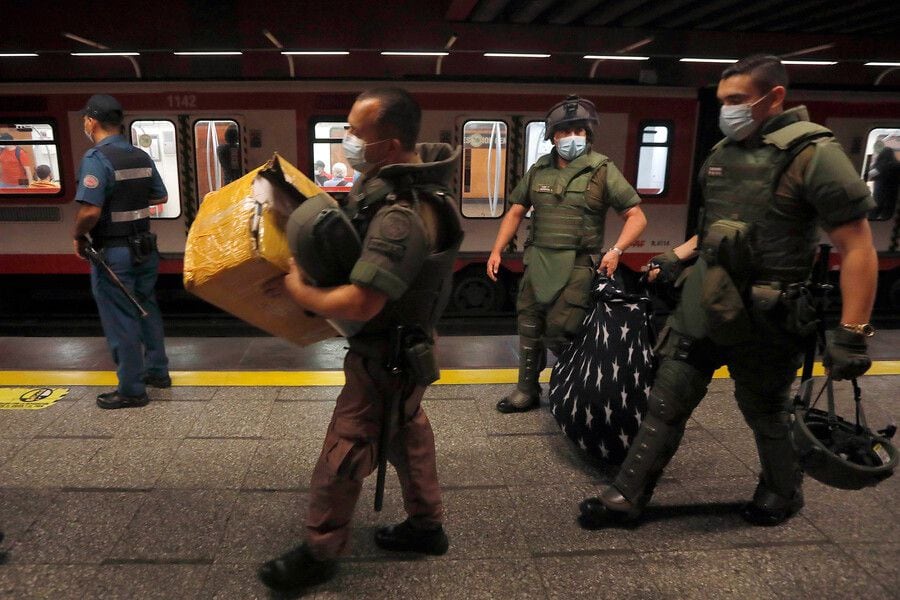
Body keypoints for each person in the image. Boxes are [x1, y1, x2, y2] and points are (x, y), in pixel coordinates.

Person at [579, 55, 878, 530]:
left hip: (769, 312)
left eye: (738, 100)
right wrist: (679, 254)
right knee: (667, 397)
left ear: (774, 96)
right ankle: (626, 494)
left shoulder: (814, 154)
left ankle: (782, 491)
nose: (728, 111)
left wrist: (853, 332)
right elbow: (714, 228)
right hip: (707, 298)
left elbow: (857, 244)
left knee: (764, 409)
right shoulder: (723, 155)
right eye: (723, 102)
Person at [258, 87, 463, 592]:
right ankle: (426, 526)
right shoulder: (414, 190)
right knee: (408, 433)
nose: (347, 140)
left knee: (344, 450)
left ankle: (320, 551)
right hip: (407, 349)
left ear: (389, 146)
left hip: (385, 355)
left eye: (356, 132)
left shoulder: (400, 214)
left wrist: (300, 291)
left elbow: (362, 303)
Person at [487, 95, 647, 413]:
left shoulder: (602, 170)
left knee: (563, 331)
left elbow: (637, 216)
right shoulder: (539, 170)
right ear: (553, 136)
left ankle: (575, 386)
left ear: (588, 134)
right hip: (537, 260)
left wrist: (616, 250)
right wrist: (497, 248)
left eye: (579, 130)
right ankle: (526, 390)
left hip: (577, 263)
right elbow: (516, 210)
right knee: (529, 324)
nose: (572, 137)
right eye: (564, 131)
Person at [72, 94, 172, 409]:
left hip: (114, 252)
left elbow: (89, 211)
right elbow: (160, 195)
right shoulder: (140, 156)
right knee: (145, 307)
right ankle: (158, 372)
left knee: (121, 317)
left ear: (92, 121)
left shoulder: (97, 158)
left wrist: (77, 235)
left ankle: (131, 389)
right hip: (144, 247)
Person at [867, 139, 900, 220]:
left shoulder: (880, 166)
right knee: (888, 215)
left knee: (873, 215)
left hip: (879, 194)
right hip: (893, 196)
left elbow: (869, 175)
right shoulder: (897, 165)